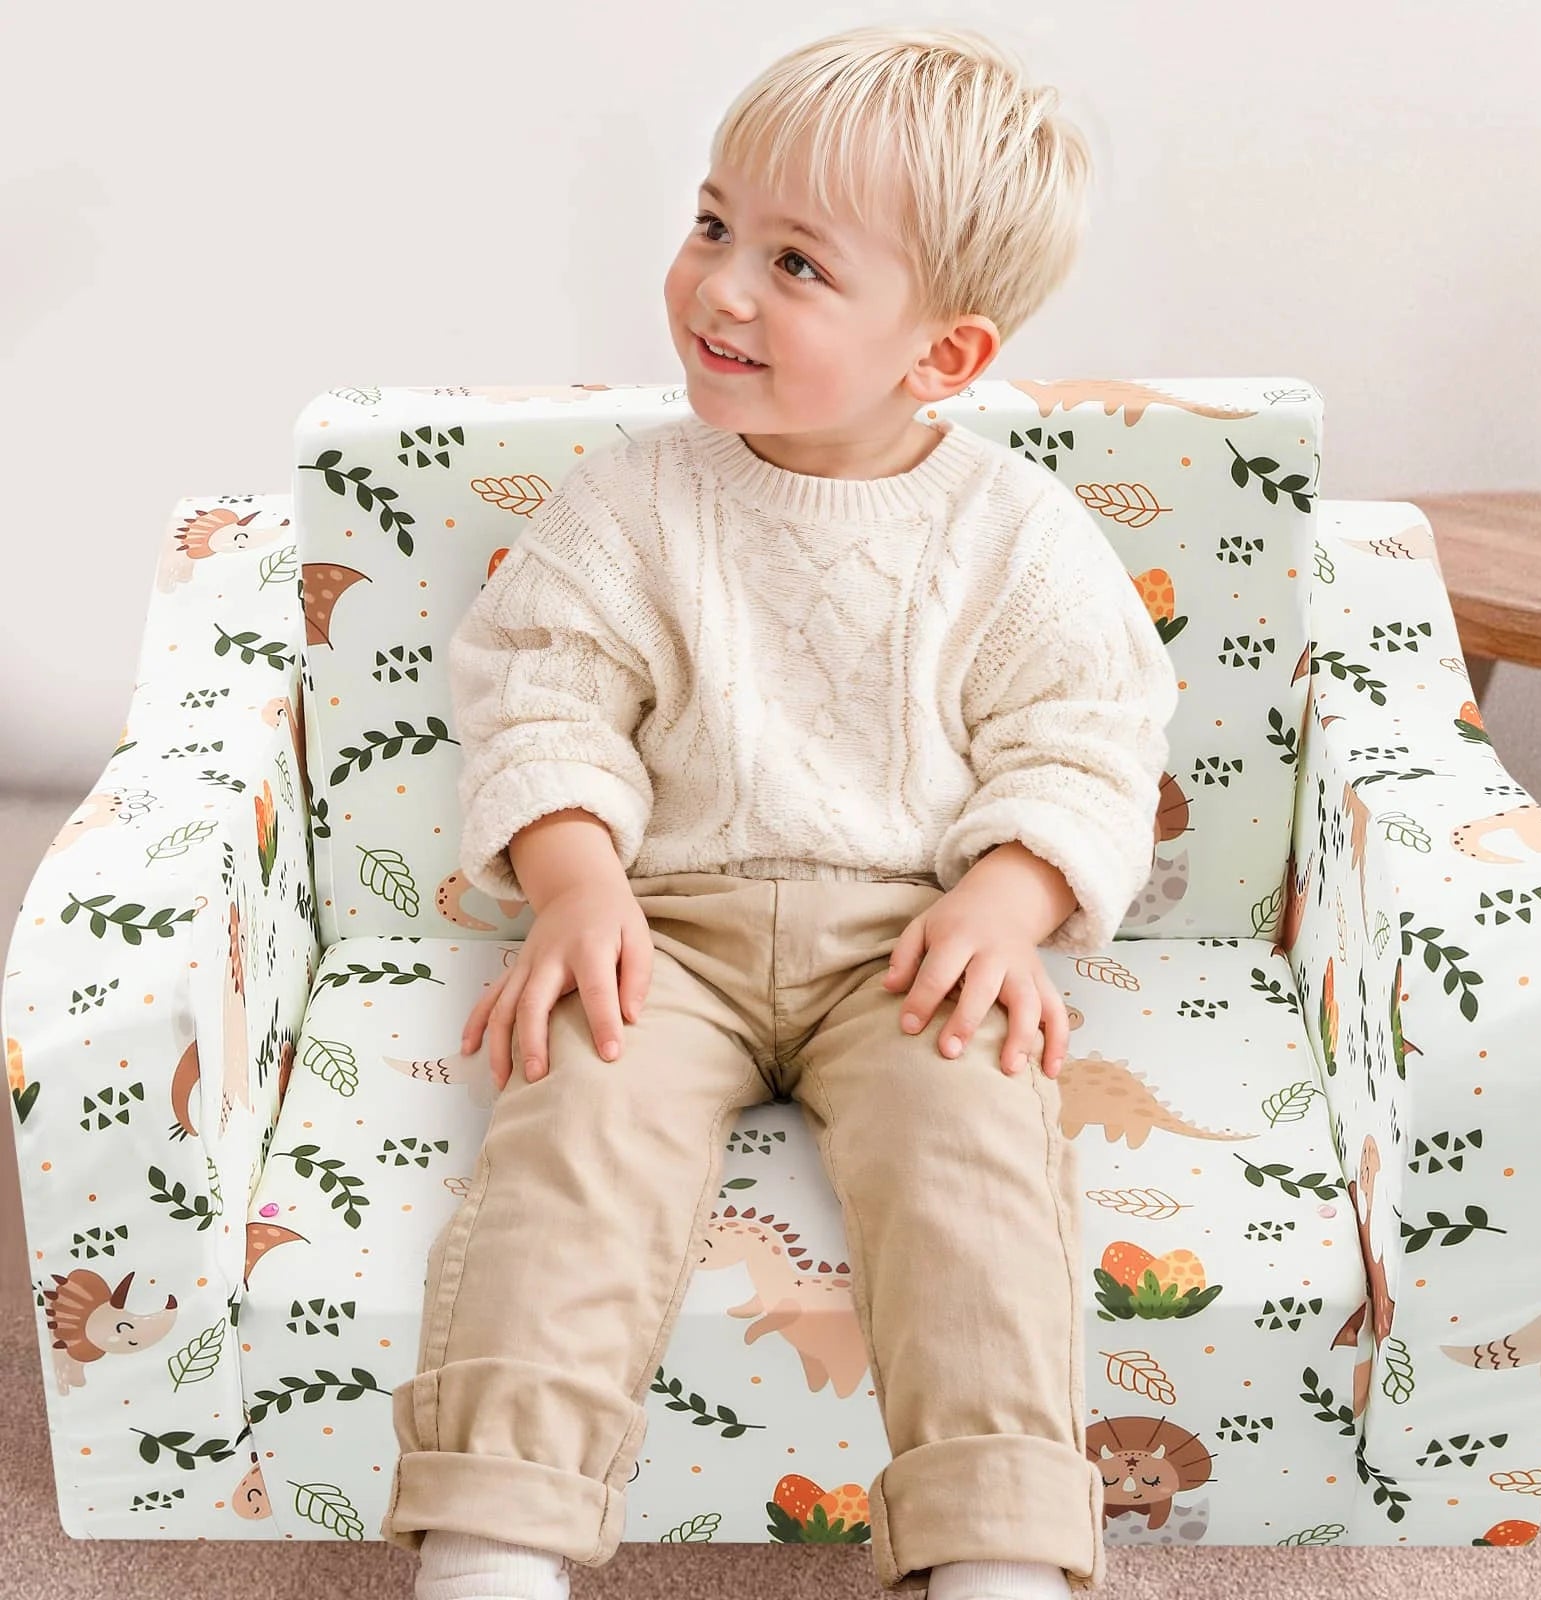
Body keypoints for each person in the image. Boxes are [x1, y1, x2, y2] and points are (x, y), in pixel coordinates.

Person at [380, 22, 1179, 1600]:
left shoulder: (1015, 534)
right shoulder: (636, 496)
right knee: (571, 1138)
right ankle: (498, 1531)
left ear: (942, 354)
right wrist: (576, 883)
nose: (720, 285)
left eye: (798, 264)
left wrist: (1010, 897)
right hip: (660, 932)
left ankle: (998, 1548)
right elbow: (542, 694)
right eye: (713, 223)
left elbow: (1091, 738)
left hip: (909, 947)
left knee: (975, 1169)